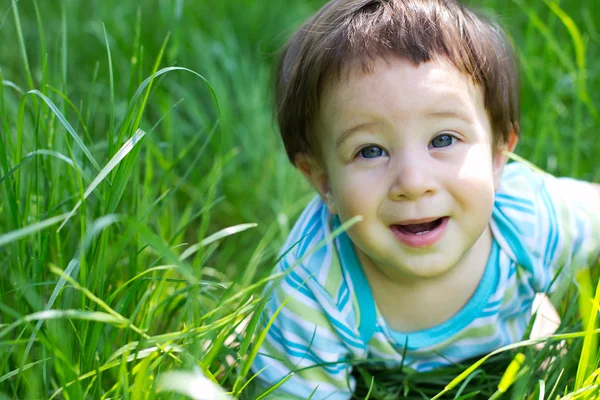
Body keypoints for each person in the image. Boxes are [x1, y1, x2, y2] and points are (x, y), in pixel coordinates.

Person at [250, 0, 600, 398]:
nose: (413, 183)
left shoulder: (529, 220)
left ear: (498, 156)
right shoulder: (312, 291)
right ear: (323, 182)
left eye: (443, 139)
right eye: (370, 150)